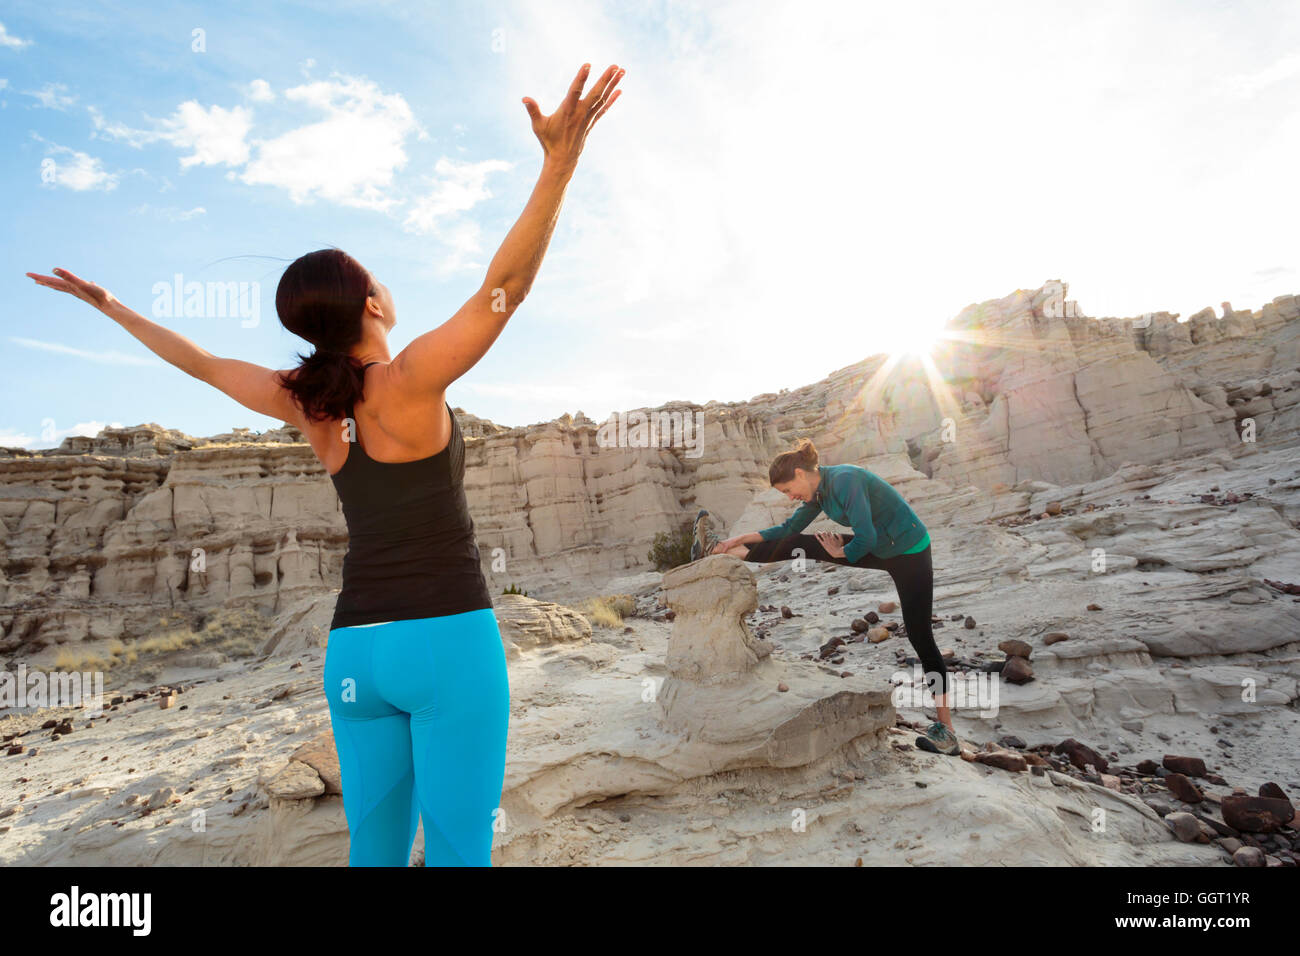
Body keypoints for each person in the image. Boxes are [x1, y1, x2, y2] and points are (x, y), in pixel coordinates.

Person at [25, 62, 625, 864]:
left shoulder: (308, 402)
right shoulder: (407, 382)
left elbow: (200, 364)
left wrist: (109, 307)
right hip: (445, 637)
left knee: (372, 852)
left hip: (355, 656)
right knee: (456, 848)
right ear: (372, 304)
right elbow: (503, 289)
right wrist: (559, 165)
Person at [694, 438, 961, 756]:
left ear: (799, 472)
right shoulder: (819, 492)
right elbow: (787, 529)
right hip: (880, 548)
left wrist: (841, 552)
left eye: (787, 489)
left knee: (921, 637)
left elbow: (865, 537)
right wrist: (734, 539)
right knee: (802, 542)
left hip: (910, 552)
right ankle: (720, 549)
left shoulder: (846, 480)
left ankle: (947, 732)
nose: (790, 496)